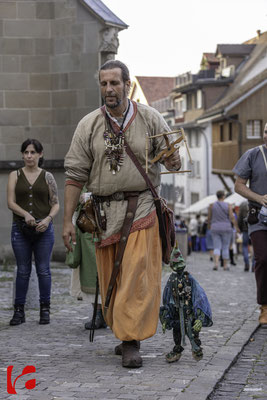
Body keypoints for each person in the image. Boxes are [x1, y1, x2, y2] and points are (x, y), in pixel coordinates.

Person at [63, 60, 181, 368]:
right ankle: (125, 331)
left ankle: (131, 341)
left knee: (135, 274)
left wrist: (173, 157)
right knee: (112, 280)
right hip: (103, 213)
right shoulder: (89, 124)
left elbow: (173, 162)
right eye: (104, 84)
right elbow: (75, 175)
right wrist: (67, 222)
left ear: (127, 85)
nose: (109, 89)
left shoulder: (151, 117)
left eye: (115, 83)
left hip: (141, 205)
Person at [7, 139, 59, 326]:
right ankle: (19, 312)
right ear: (22, 155)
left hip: (44, 229)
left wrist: (47, 220)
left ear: (40, 154)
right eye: (26, 152)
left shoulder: (48, 177)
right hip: (20, 229)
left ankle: (44, 310)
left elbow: (55, 203)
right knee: (23, 270)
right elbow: (10, 202)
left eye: (33, 152)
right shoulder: (15, 175)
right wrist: (25, 214)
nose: (29, 156)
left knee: (44, 270)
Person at [233, 122, 267, 325]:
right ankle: (264, 306)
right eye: (265, 132)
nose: (266, 135)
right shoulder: (253, 155)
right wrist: (259, 197)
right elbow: (238, 185)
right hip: (259, 217)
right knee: (263, 258)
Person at [159, 244, 212, 363]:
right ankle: (177, 350)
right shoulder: (171, 280)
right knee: (177, 332)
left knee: (193, 332)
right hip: (177, 313)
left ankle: (196, 348)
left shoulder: (189, 279)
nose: (179, 268)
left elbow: (199, 296)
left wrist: (199, 317)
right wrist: (166, 316)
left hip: (189, 312)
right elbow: (167, 298)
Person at [66, 190, 106, 330]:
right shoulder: (80, 175)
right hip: (86, 225)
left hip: (106, 223)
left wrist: (91, 196)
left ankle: (105, 313)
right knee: (90, 272)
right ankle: (98, 313)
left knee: (103, 271)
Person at [207, 190, 239, 271]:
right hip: (226, 228)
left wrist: (209, 226)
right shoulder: (228, 205)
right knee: (225, 247)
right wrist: (236, 227)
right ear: (223, 196)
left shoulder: (211, 205)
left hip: (215, 227)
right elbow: (232, 217)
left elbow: (209, 218)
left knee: (216, 247)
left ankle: (216, 264)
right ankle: (225, 266)